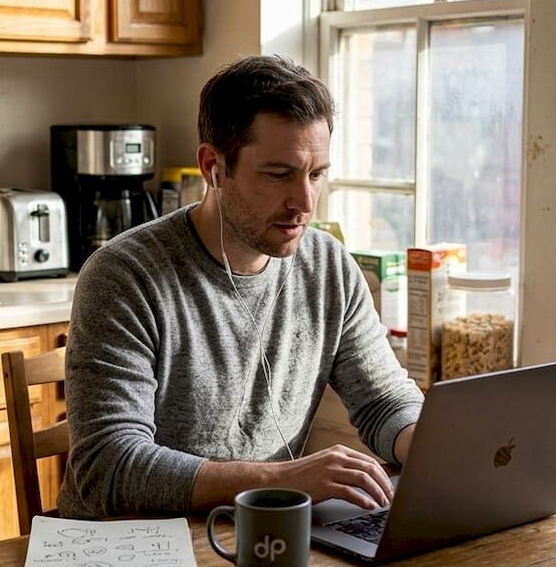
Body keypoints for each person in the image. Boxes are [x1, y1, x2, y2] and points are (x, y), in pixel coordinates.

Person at [56, 55, 424, 520]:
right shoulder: (124, 277)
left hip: (258, 536)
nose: (303, 203)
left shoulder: (329, 267)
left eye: (316, 174)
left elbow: (384, 400)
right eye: (279, 175)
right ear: (214, 166)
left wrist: (429, 447)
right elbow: (108, 466)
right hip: (124, 555)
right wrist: (282, 481)